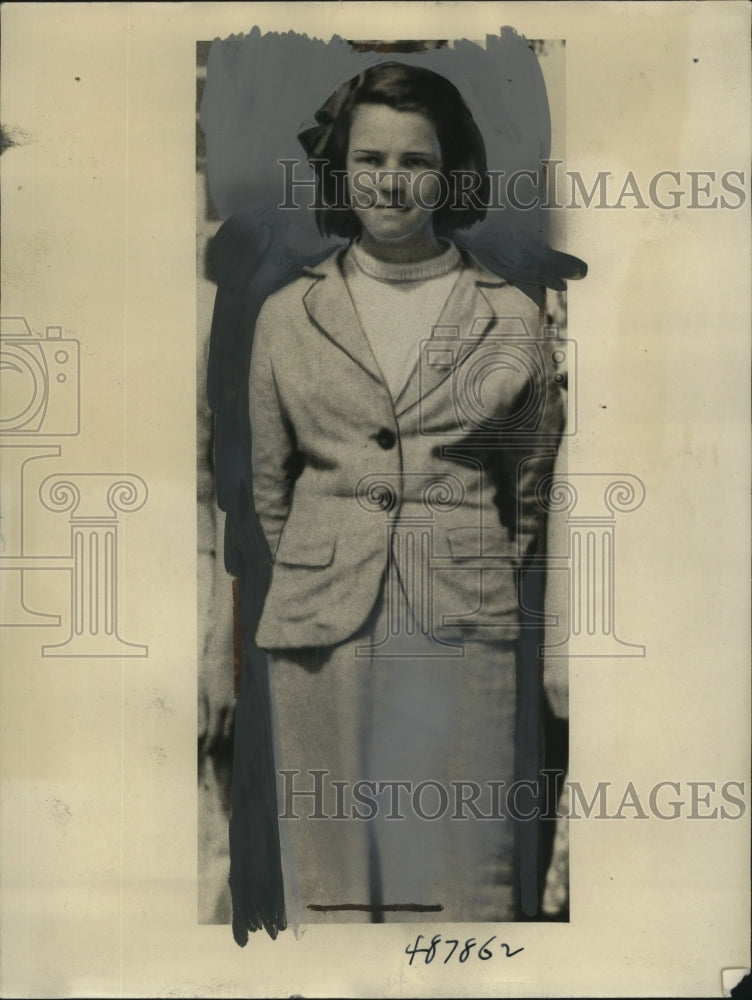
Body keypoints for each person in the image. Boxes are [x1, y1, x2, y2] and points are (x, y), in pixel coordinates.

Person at [248, 61, 565, 926]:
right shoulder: (288, 315)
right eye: (369, 159)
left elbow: (528, 485)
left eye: (416, 162)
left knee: (462, 874)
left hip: (460, 612)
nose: (391, 181)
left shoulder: (510, 317)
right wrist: (333, 561)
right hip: (321, 622)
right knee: (333, 881)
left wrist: (464, 562)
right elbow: (271, 491)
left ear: (451, 173)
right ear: (342, 172)